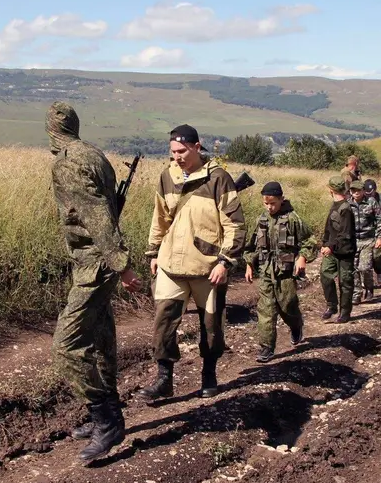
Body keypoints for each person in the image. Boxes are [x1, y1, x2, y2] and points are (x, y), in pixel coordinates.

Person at [47, 102, 142, 463]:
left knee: (67, 345)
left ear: (50, 129)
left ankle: (106, 418)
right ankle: (107, 412)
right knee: (101, 338)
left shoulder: (68, 161)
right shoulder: (94, 154)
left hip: (95, 263)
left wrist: (122, 265)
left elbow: (98, 215)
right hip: (95, 262)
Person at [139, 124, 246, 401]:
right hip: (171, 266)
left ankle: (209, 373)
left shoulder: (219, 178)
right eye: (173, 151)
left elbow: (234, 224)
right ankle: (164, 378)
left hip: (207, 268)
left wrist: (225, 262)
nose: (177, 157)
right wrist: (153, 253)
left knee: (211, 327)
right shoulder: (167, 177)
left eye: (182, 151)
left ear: (198, 147)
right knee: (163, 323)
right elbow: (159, 218)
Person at [243, 182, 318, 363]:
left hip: (285, 274)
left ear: (281, 200)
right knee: (266, 309)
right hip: (266, 273)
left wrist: (302, 257)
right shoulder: (261, 219)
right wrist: (249, 264)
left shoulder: (292, 218)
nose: (269, 207)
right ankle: (266, 347)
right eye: (266, 203)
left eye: (273, 203)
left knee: (288, 306)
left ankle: (296, 326)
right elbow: (251, 246)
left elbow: (310, 240)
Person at [320, 176, 356, 323]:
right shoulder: (335, 204)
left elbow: (345, 233)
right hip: (332, 250)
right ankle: (332, 306)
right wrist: (324, 244)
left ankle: (345, 312)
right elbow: (329, 228)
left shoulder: (345, 208)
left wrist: (330, 246)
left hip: (345, 251)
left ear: (331, 190)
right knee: (325, 275)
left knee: (345, 282)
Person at [348, 179, 381, 304]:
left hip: (367, 240)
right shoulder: (347, 204)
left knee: (364, 267)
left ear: (363, 191)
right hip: (353, 241)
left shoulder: (371, 202)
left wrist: (380, 237)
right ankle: (356, 294)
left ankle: (369, 288)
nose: (356, 193)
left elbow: (380, 220)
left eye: (358, 190)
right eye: (353, 190)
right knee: (353, 268)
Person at [364, 178, 381, 285]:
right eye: (366, 192)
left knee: (376, 256)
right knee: (364, 258)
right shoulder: (361, 199)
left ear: (375, 190)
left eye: (371, 192)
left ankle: (380, 271)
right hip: (365, 232)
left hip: (379, 231)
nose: (369, 194)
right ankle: (365, 281)